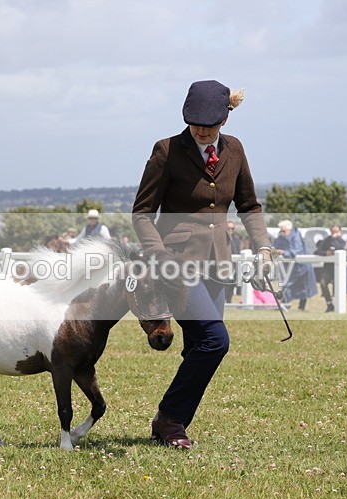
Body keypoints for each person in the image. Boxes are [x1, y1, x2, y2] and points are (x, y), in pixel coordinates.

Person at [132, 79, 273, 449]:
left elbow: (249, 207)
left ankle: (168, 421)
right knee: (215, 340)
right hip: (176, 264)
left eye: (209, 125)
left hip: (218, 264)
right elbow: (142, 213)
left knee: (200, 346)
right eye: (195, 124)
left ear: (225, 120)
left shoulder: (236, 150)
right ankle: (171, 420)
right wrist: (159, 256)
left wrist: (264, 249)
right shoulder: (166, 151)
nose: (201, 131)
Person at [272, 220, 317, 311]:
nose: (282, 233)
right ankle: (285, 305)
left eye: (284, 231)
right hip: (289, 267)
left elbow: (297, 250)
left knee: (303, 287)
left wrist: (284, 252)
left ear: (289, 229)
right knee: (286, 286)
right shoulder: (282, 237)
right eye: (281, 231)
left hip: (301, 267)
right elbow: (275, 245)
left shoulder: (296, 237)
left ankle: (301, 307)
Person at [315, 224, 347, 312]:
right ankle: (329, 304)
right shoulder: (326, 240)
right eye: (333, 232)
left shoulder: (343, 241)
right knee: (323, 283)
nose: (334, 234)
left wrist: (334, 239)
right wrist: (326, 253)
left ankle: (341, 306)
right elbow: (317, 251)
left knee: (339, 287)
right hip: (329, 267)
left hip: (340, 268)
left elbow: (340, 248)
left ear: (340, 232)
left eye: (336, 232)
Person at [224, 220, 242, 303]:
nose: (230, 230)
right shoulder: (221, 239)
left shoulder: (236, 240)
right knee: (225, 285)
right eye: (229, 228)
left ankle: (229, 302)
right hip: (224, 266)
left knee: (232, 284)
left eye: (232, 228)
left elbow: (237, 252)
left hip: (234, 265)